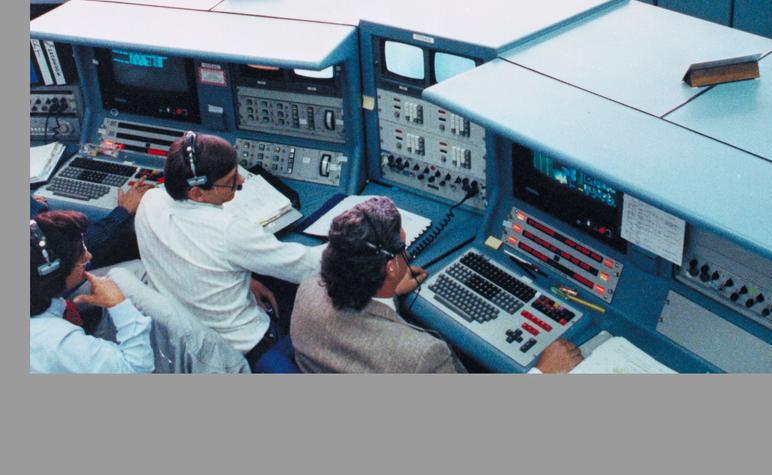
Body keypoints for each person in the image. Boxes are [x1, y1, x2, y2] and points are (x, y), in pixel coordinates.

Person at [290, 197, 583, 374]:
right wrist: (543, 373)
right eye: (403, 247)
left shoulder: (306, 293)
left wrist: (387, 289)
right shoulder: (422, 355)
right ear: (391, 266)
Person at [135, 133, 322, 367]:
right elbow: (308, 267)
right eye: (232, 181)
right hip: (246, 347)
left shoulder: (149, 201)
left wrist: (243, 279)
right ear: (197, 193)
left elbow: (189, 257)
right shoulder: (230, 230)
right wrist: (360, 232)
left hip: (185, 340)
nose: (242, 181)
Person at [30, 210, 154, 374]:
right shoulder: (59, 342)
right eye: (81, 257)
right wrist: (119, 305)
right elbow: (137, 369)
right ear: (55, 272)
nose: (89, 256)